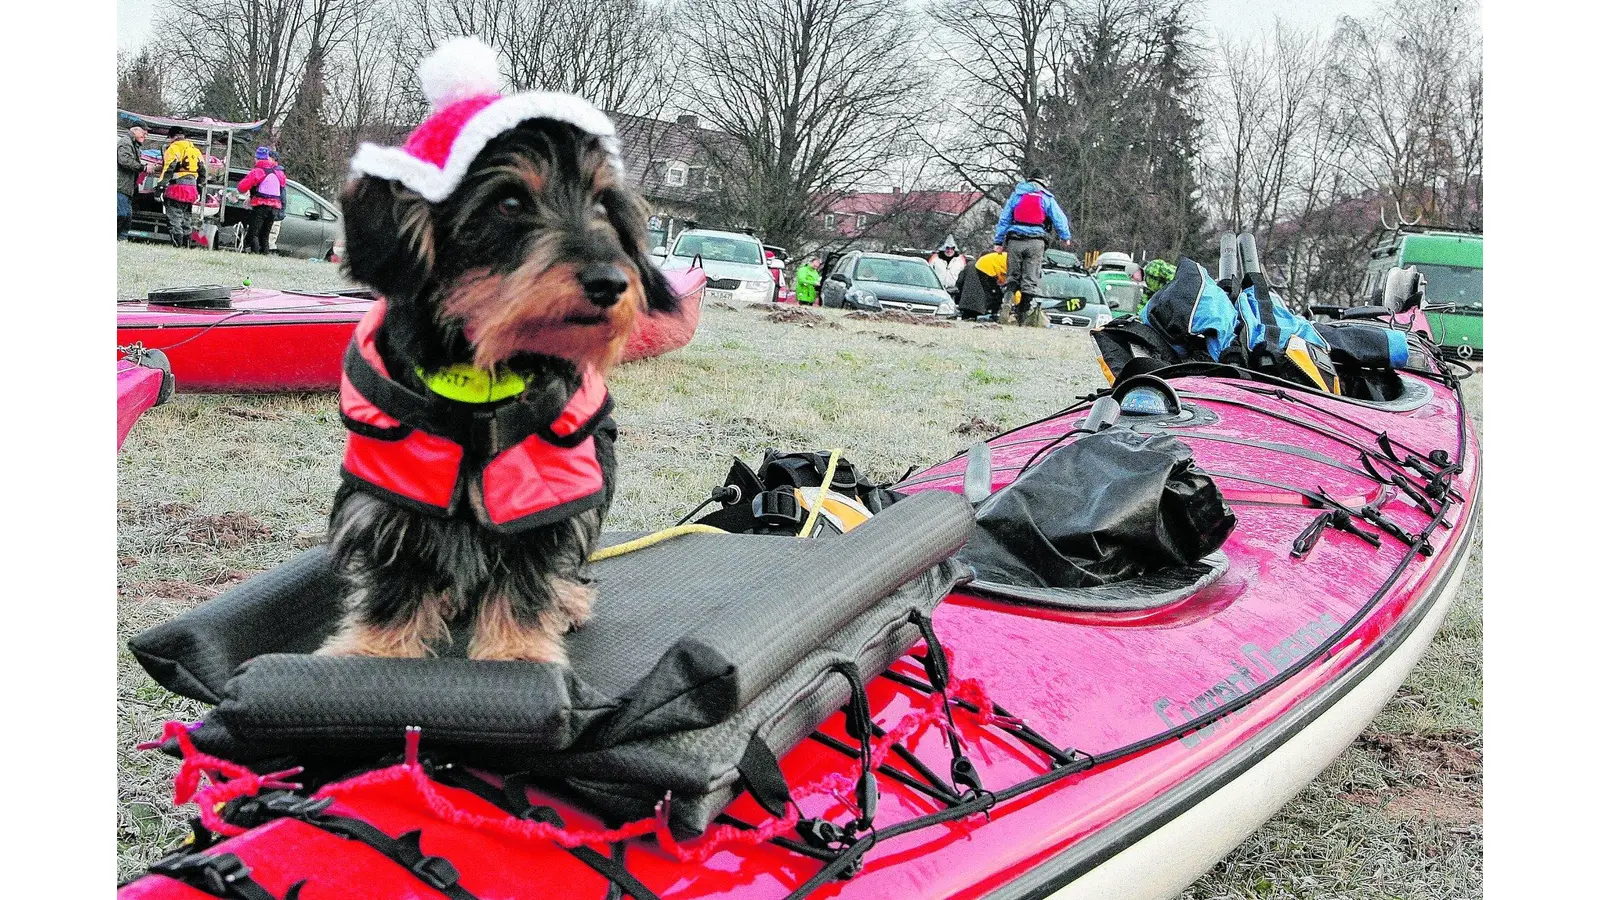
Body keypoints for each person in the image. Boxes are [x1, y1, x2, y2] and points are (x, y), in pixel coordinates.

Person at [992, 168, 1072, 324]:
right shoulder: (1046, 197)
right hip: (1036, 242)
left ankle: (1007, 302)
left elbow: (1004, 218)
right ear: (1042, 181)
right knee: (1030, 278)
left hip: (1015, 240)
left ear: (1028, 180)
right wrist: (1065, 237)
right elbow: (1059, 218)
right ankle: (1022, 315)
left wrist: (998, 241)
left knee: (1012, 276)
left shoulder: (1017, 195)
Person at [157, 127, 207, 248]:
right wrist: (200, 188)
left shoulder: (173, 148)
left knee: (174, 218)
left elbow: (168, 168)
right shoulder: (195, 150)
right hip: (192, 189)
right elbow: (203, 171)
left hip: (177, 188)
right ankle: (186, 245)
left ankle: (177, 245)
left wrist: (160, 187)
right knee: (186, 218)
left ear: (172, 137)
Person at [237, 146, 287, 254]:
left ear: (256, 158)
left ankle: (255, 254)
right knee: (265, 235)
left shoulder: (258, 171)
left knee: (253, 234)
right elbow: (282, 185)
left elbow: (241, 187)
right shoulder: (278, 173)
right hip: (275, 208)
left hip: (261, 206)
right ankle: (265, 255)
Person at [117, 126, 152, 239]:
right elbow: (125, 161)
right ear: (134, 130)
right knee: (121, 214)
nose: (145, 136)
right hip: (120, 186)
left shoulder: (132, 144)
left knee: (127, 216)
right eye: (143, 133)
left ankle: (122, 239)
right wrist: (143, 168)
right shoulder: (126, 143)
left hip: (126, 187)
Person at [956, 249, 1007, 320]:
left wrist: (963, 293)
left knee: (965, 323)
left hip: (965, 302)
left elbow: (959, 282)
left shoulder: (969, 265)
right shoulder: (988, 269)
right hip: (981, 305)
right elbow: (990, 288)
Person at [266, 150, 287, 253]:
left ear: (273, 159)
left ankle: (269, 252)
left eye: (268, 158)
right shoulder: (279, 173)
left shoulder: (276, 174)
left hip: (275, 209)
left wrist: (280, 211)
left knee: (271, 236)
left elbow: (282, 196)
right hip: (276, 209)